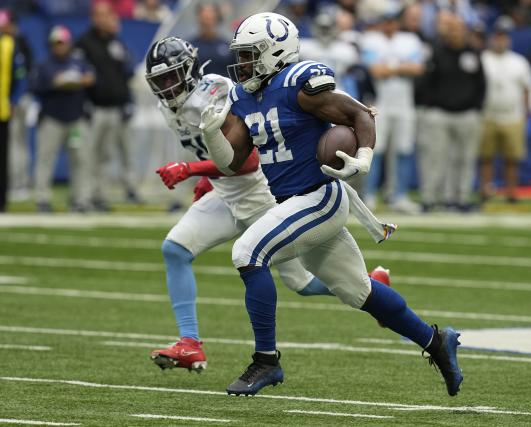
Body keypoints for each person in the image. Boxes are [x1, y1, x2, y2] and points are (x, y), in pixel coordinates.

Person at [200, 12, 462, 397]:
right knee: (359, 292)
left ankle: (266, 361)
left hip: (319, 196)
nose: (242, 64)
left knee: (247, 252)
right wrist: (211, 134)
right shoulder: (244, 96)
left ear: (275, 52)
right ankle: (437, 341)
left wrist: (366, 154)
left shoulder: (299, 84)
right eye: (240, 55)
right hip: (295, 202)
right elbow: (233, 162)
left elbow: (358, 114)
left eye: (250, 55)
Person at [144, 37, 393, 372]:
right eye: (159, 81)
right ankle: (190, 344)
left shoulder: (215, 93)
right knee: (175, 249)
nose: (165, 86)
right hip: (226, 193)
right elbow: (214, 153)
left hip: (262, 192)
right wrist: (206, 177)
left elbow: (244, 160)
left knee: (300, 283)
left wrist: (191, 170)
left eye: (171, 77)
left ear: (188, 70)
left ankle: (372, 287)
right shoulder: (167, 107)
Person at [359, 7, 425, 213]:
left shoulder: (410, 40)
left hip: (404, 103)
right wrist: (401, 66)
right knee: (375, 150)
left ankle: (400, 196)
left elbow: (418, 68)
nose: (389, 25)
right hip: (379, 104)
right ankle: (369, 195)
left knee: (404, 149)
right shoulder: (370, 39)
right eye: (385, 20)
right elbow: (375, 71)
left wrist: (390, 67)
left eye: (392, 20)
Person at [417, 15, 485, 211]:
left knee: (465, 159)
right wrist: (431, 106)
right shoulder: (437, 52)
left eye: (459, 29)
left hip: (467, 114)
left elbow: (481, 83)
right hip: (440, 113)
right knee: (435, 158)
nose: (456, 33)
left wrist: (476, 108)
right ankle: (429, 199)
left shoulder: (473, 53)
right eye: (452, 29)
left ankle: (460, 199)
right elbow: (426, 82)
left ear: (465, 31)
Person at [77, 1, 139, 210]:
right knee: (88, 156)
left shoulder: (116, 42)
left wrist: (126, 101)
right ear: (94, 17)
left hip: (114, 107)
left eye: (108, 15)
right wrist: (84, 102)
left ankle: (100, 196)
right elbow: (80, 75)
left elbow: (126, 72)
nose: (105, 19)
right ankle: (83, 198)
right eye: (100, 15)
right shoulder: (84, 43)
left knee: (105, 156)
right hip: (93, 107)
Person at [30, 25, 94, 212]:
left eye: (62, 43)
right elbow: (35, 87)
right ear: (51, 45)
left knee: (81, 160)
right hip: (52, 119)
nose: (59, 47)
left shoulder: (78, 62)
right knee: (45, 159)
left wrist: (80, 81)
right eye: (56, 43)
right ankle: (42, 199)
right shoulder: (44, 65)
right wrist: (54, 84)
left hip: (75, 119)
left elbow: (91, 78)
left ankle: (80, 199)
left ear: (69, 44)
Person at [479, 16, 531, 203]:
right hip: (487, 115)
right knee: (485, 156)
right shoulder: (483, 59)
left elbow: (527, 89)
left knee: (512, 158)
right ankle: (486, 190)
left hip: (513, 115)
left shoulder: (519, 61)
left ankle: (512, 192)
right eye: (497, 36)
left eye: (503, 37)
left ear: (508, 40)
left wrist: (527, 111)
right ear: (491, 38)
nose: (500, 40)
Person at [0, 9, 27, 212]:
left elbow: (20, 75)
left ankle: (2, 200)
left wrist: (14, 100)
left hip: (3, 109)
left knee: (3, 157)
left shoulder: (10, 45)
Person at [189, 2, 234, 77]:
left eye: (210, 18)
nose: (208, 22)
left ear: (217, 19)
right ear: (199, 20)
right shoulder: (190, 47)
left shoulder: (227, 46)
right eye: (205, 18)